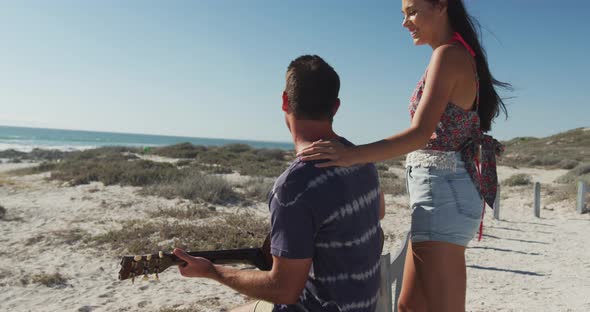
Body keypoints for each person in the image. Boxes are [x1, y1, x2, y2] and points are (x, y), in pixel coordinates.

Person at [296, 1, 510, 311]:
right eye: (402, 14)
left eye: (412, 11)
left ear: (441, 6)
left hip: (444, 197)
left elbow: (419, 134)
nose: (405, 22)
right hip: (440, 195)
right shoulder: (450, 53)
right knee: (409, 306)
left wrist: (351, 155)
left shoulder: (448, 55)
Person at [173, 55, 386, 312]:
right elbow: (377, 212)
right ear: (336, 107)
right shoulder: (362, 160)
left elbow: (284, 289)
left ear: (285, 101)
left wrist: (213, 271)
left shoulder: (293, 187)